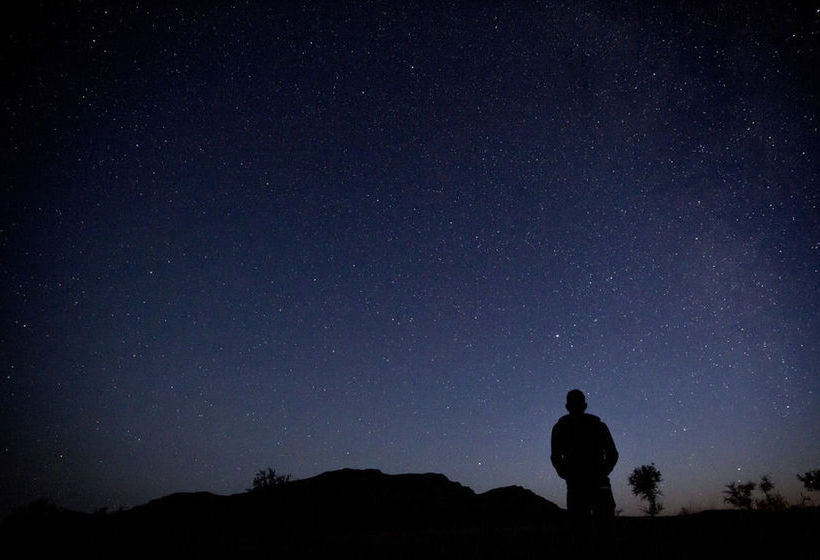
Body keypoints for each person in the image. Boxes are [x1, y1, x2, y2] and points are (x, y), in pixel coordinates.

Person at [550, 389, 618, 554]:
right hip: (589, 483)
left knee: (584, 530)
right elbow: (613, 454)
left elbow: (555, 457)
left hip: (583, 484)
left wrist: (567, 474)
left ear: (567, 406)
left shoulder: (561, 428)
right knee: (597, 530)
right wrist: (602, 472)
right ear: (584, 405)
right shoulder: (597, 426)